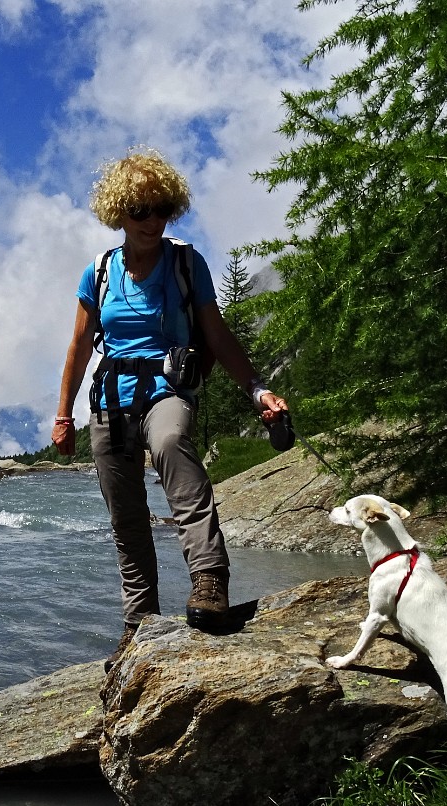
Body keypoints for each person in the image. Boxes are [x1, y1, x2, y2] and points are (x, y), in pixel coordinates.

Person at [52, 148, 288, 663]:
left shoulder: (185, 263)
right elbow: (77, 346)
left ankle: (209, 580)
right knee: (127, 520)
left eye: (161, 209)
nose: (152, 220)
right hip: (111, 402)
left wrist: (257, 390)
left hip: (167, 392)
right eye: (140, 211)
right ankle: (139, 624)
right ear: (120, 212)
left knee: (171, 440)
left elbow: (217, 334)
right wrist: (64, 414)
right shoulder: (99, 272)